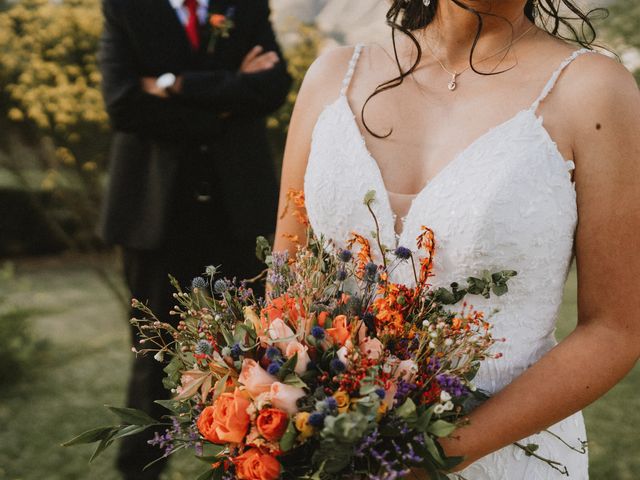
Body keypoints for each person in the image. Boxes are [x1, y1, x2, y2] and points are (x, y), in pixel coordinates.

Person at [273, 0, 640, 478]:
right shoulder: (333, 76)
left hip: (502, 453)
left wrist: (425, 461)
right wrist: (279, 407)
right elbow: (287, 276)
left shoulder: (594, 91)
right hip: (327, 451)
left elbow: (615, 328)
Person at [98, 0, 291, 478]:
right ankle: (138, 470)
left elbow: (271, 87)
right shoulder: (124, 8)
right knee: (152, 358)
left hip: (238, 212)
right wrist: (225, 106)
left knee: (254, 359)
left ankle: (247, 469)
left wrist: (173, 85)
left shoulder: (244, 6)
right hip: (154, 217)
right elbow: (123, 103)